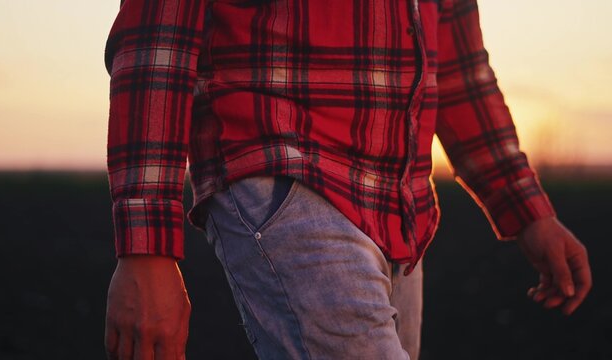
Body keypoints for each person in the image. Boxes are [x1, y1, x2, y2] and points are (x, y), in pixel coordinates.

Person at [103, 0, 592, 359]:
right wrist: (146, 251)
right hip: (282, 170)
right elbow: (155, 42)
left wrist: (529, 211)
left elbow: (461, 70)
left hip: (400, 211)